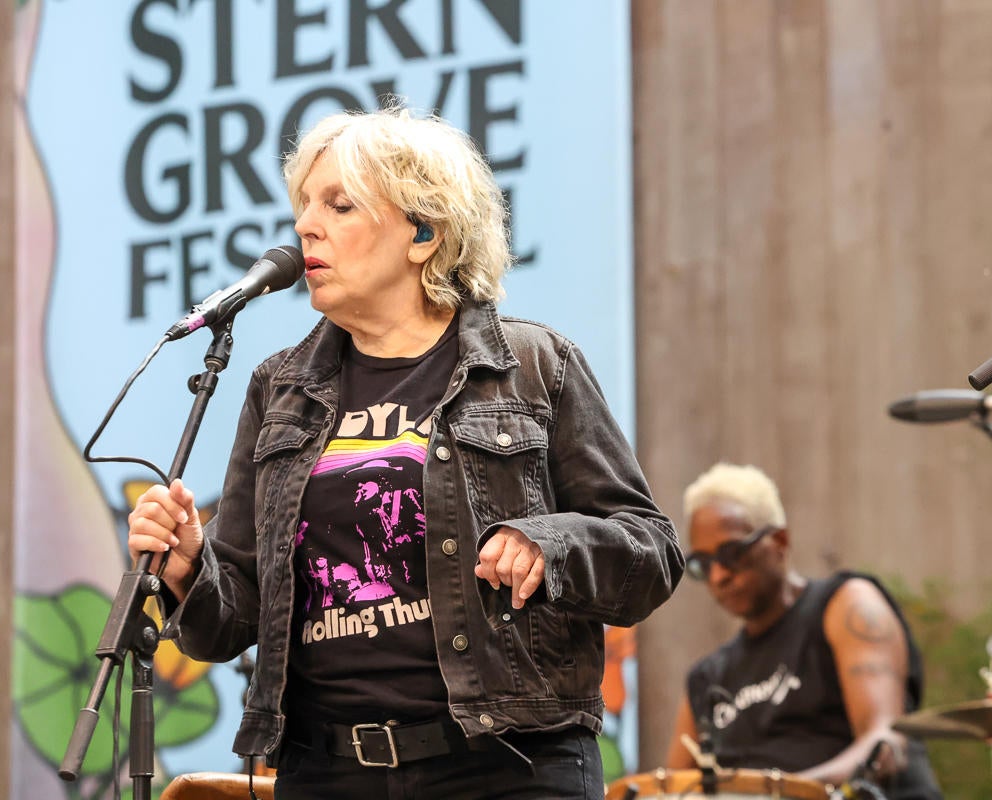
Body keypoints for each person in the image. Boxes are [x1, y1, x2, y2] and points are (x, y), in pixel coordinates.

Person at [127, 104, 683, 800]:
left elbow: (650, 551)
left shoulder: (534, 366)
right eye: (303, 205)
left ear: (423, 232)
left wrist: (550, 545)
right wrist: (188, 570)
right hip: (325, 770)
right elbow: (231, 619)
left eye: (339, 205)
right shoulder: (280, 389)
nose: (305, 226)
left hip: (505, 765)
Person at [665, 463, 942, 799]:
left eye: (732, 553)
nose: (718, 576)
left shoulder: (846, 605)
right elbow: (671, 790)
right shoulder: (705, 678)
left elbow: (883, 744)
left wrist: (780, 794)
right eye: (702, 564)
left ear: (779, 541)